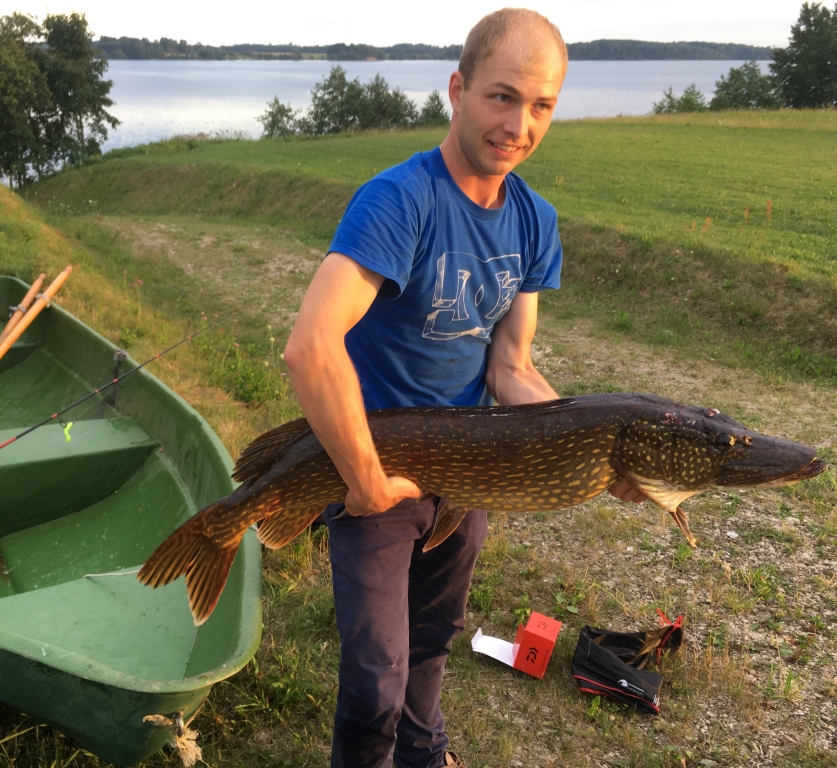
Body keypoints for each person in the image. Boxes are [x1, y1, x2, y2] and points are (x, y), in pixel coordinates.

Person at [284, 8, 643, 768]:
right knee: (376, 674)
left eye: (541, 105)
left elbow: (510, 366)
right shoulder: (400, 200)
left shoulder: (534, 221)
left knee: (433, 640)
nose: (519, 124)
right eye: (502, 97)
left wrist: (602, 456)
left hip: (468, 470)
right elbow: (310, 349)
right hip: (369, 465)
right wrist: (368, 482)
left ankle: (422, 751)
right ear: (458, 89)